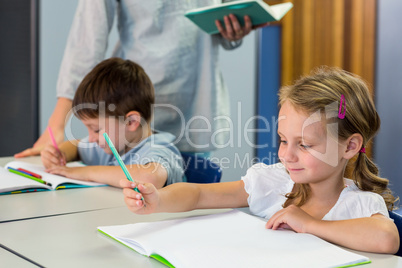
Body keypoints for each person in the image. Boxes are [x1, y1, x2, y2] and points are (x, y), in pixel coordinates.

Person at [120, 67, 400, 254]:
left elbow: (387, 238)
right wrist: (158, 200)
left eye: (304, 145)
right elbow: (198, 194)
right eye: (283, 139)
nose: (286, 155)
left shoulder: (360, 205)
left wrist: (309, 224)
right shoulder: (273, 183)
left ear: (350, 146)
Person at [16, 0, 265, 158]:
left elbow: (224, 20)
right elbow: (86, 42)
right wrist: (57, 126)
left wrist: (234, 31)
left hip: (196, 104)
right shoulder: (110, 134)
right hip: (128, 110)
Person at [41, 58, 184, 188]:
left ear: (131, 122)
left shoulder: (159, 148)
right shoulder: (114, 145)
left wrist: (86, 172)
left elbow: (150, 177)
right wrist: (59, 154)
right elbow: (78, 146)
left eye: (96, 130)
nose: (91, 138)